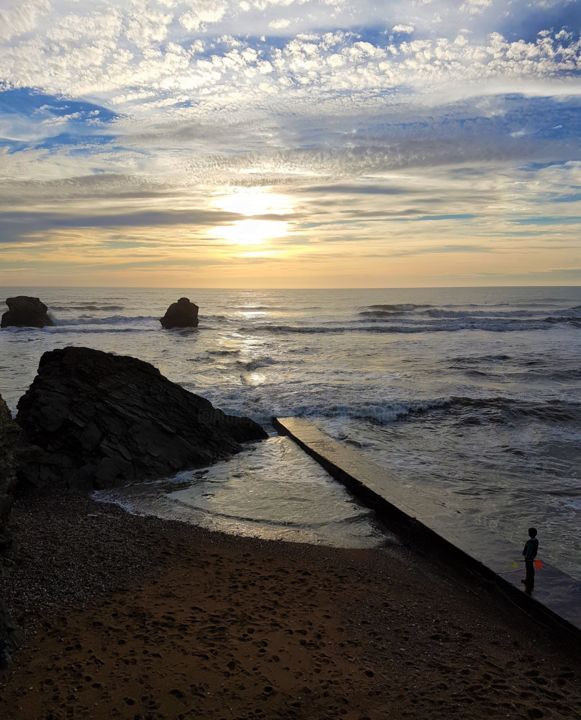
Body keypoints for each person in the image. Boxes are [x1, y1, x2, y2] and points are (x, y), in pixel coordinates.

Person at [521, 527, 539, 594]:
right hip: (532, 557)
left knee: (528, 569)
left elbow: (529, 551)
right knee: (531, 568)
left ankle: (527, 580)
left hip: (528, 558)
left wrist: (526, 557)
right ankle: (531, 579)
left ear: (530, 534)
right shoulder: (536, 540)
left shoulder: (530, 542)